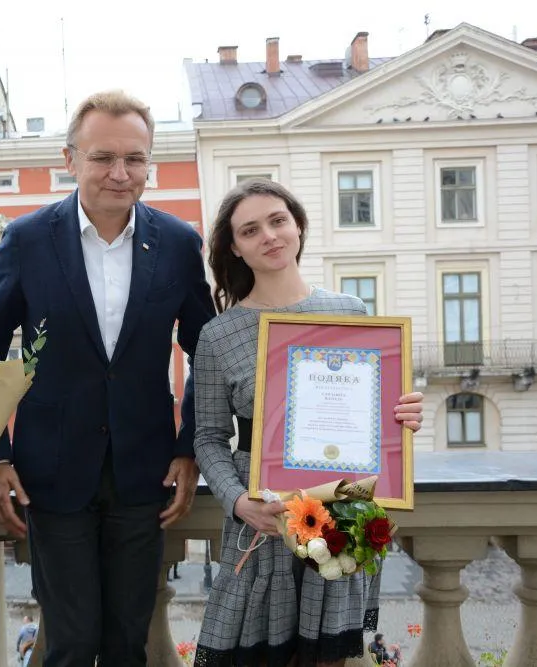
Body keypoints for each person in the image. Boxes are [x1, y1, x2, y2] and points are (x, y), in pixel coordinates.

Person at [0, 90, 216, 666]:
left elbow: (206, 351)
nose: (120, 173)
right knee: (72, 645)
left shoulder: (179, 244)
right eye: (103, 157)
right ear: (70, 159)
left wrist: (190, 447)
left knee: (128, 644)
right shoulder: (28, 240)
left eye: (135, 159)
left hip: (145, 470)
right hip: (51, 473)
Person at [191, 179, 424, 667]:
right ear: (235, 247)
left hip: (341, 503)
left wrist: (402, 416)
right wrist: (237, 502)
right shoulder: (217, 335)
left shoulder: (351, 313)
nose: (270, 236)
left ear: (297, 225)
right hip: (262, 516)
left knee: (328, 659)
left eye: (278, 221)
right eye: (251, 230)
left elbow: (374, 417)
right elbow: (209, 438)